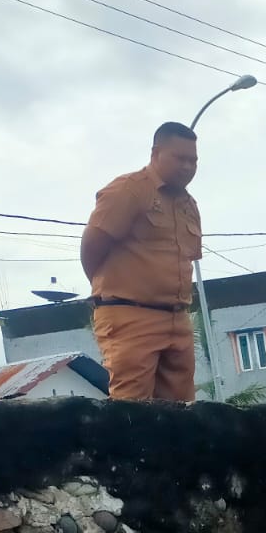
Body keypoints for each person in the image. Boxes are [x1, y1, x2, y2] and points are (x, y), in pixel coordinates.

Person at [80, 122, 202, 402]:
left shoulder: (188, 204)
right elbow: (91, 247)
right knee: (132, 411)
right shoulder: (129, 190)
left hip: (177, 317)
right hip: (131, 315)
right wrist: (111, 293)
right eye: (180, 158)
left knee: (182, 411)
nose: (187, 166)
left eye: (193, 160)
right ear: (156, 153)